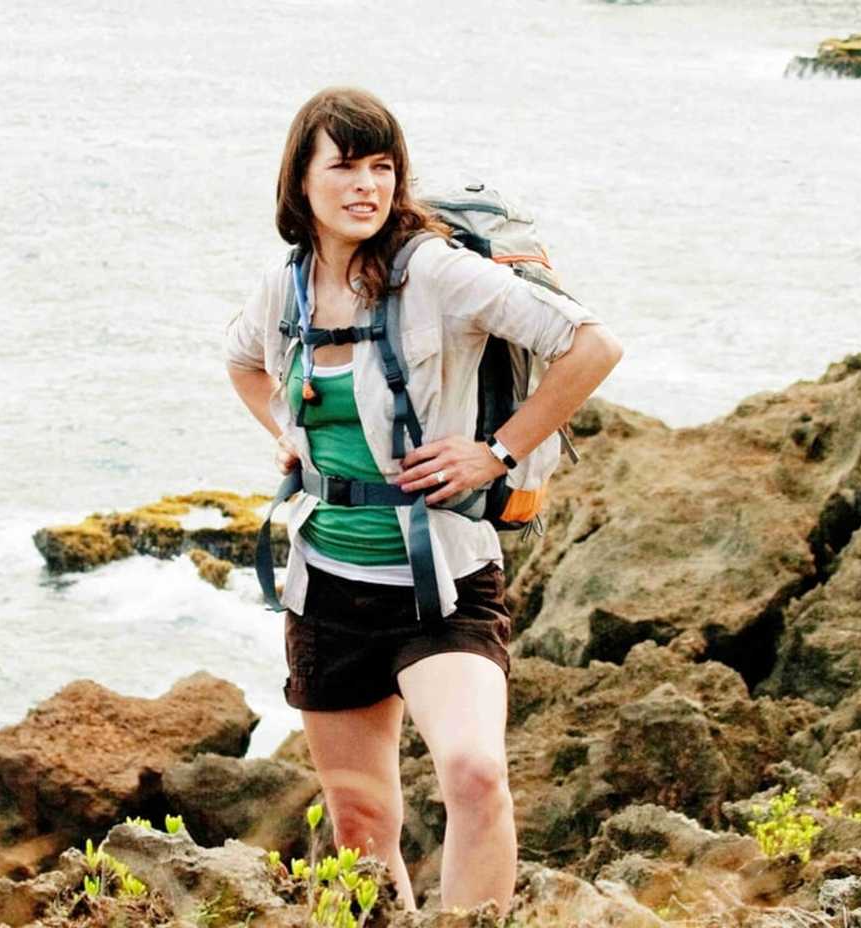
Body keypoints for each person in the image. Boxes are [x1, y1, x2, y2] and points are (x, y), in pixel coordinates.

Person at [225, 87, 623, 910]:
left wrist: (496, 453)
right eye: (344, 166)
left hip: (441, 581)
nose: (366, 185)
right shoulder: (285, 287)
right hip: (326, 585)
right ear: (301, 180)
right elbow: (241, 361)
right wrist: (286, 431)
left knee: (476, 772)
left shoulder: (436, 271)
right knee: (360, 819)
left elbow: (591, 344)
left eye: (383, 166)